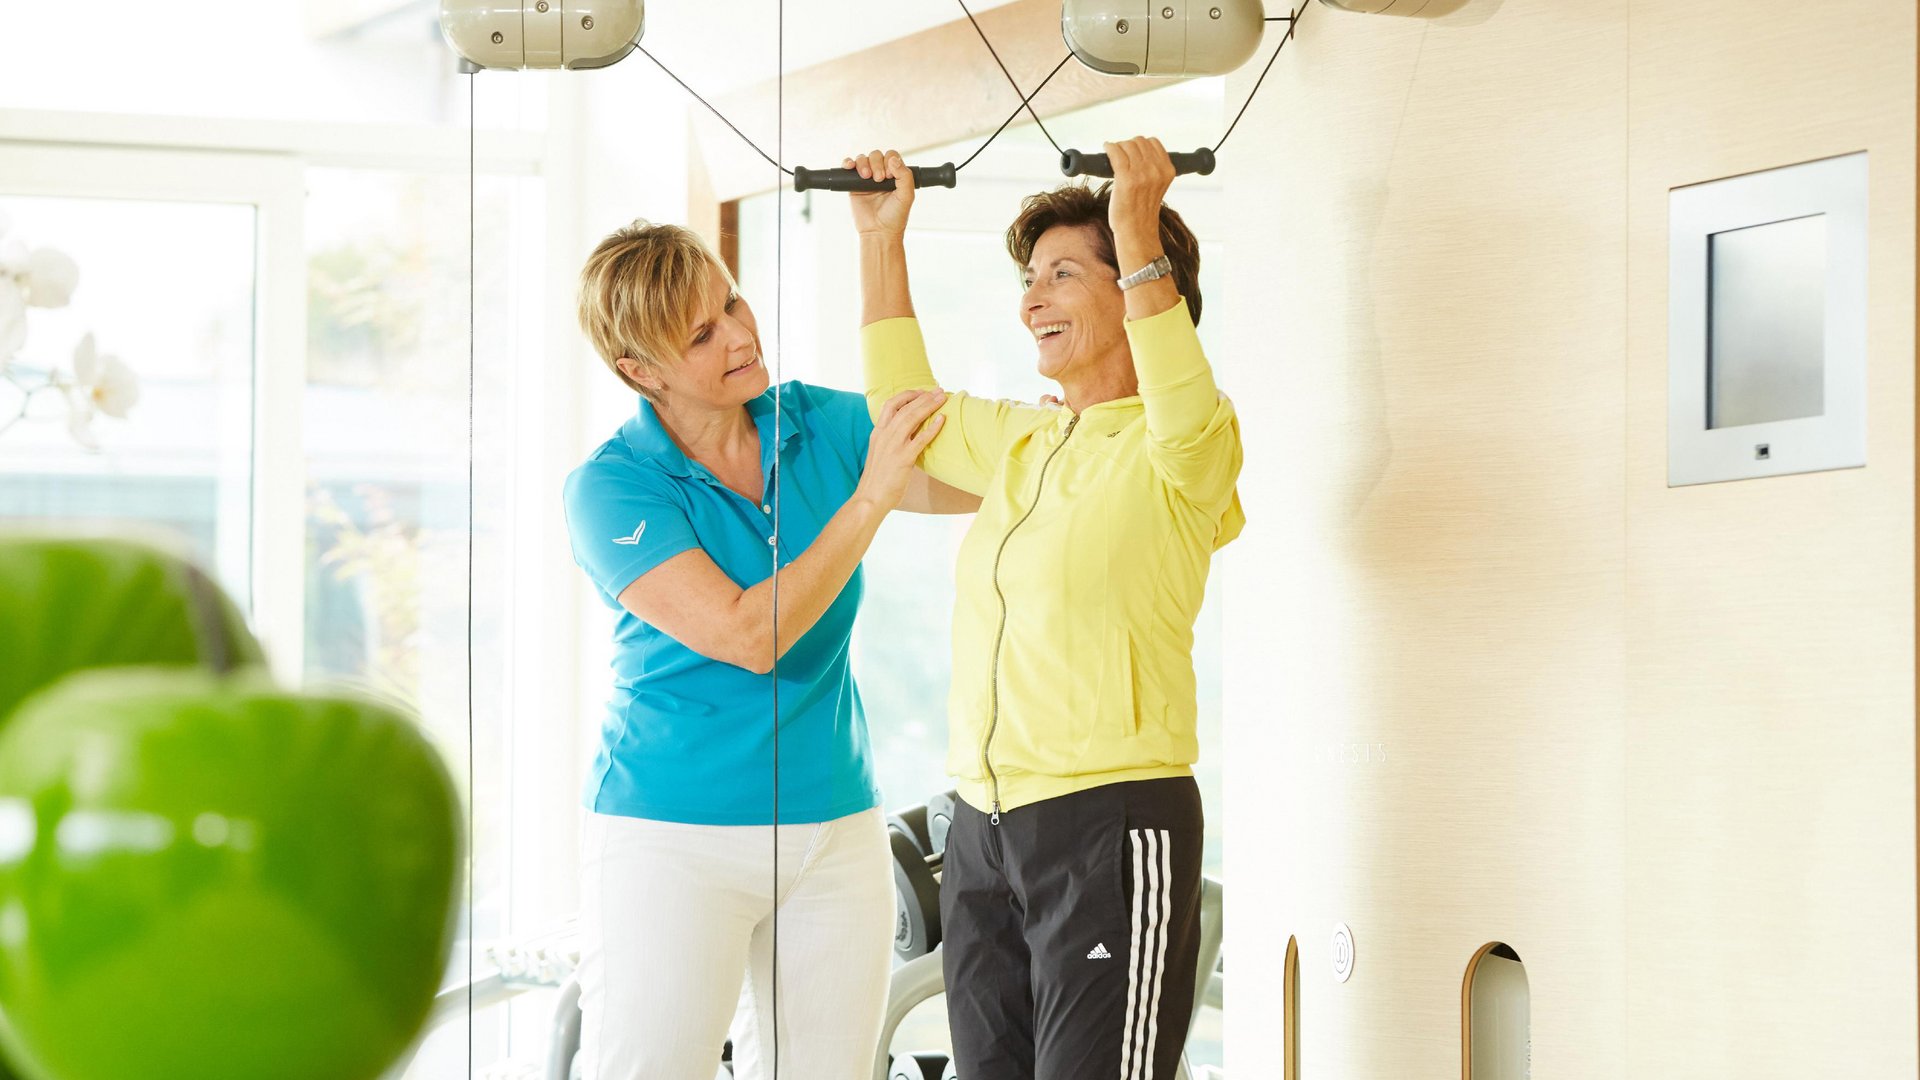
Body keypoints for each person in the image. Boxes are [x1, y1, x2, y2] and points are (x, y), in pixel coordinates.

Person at [848, 139, 1244, 1080]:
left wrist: (1137, 225)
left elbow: (1181, 400)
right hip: (984, 829)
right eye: (1029, 278)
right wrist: (880, 243)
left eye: (1064, 273)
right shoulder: (1025, 445)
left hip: (1109, 822)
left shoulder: (1182, 447)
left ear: (1141, 291)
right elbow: (902, 411)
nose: (1032, 300)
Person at [562, 221, 975, 1080]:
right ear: (639, 371)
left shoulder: (817, 424)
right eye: (701, 334)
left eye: (732, 303)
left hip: (833, 826)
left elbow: (971, 474)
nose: (741, 334)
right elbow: (751, 635)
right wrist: (869, 501)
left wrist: (1072, 424)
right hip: (673, 836)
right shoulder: (612, 485)